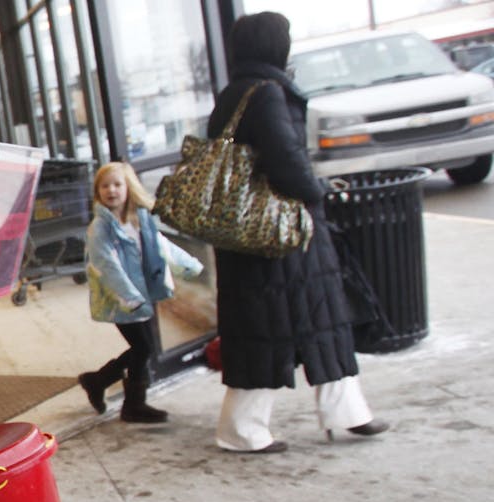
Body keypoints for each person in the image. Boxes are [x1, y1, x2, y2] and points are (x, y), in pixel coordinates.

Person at [206, 11, 388, 453]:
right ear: (274, 46)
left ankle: (347, 411)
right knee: (276, 327)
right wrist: (316, 190)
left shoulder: (235, 92)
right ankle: (241, 429)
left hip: (257, 236)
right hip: (279, 232)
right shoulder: (266, 93)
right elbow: (287, 161)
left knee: (316, 319)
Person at [77, 162, 204, 423]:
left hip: (142, 295)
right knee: (144, 347)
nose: (111, 190)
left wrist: (188, 265)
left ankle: (98, 381)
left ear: (129, 187)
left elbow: (160, 245)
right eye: (104, 186)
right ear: (97, 191)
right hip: (119, 301)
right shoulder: (100, 228)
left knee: (143, 347)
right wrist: (129, 298)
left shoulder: (138, 218)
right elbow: (106, 266)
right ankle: (132, 404)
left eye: (117, 184)